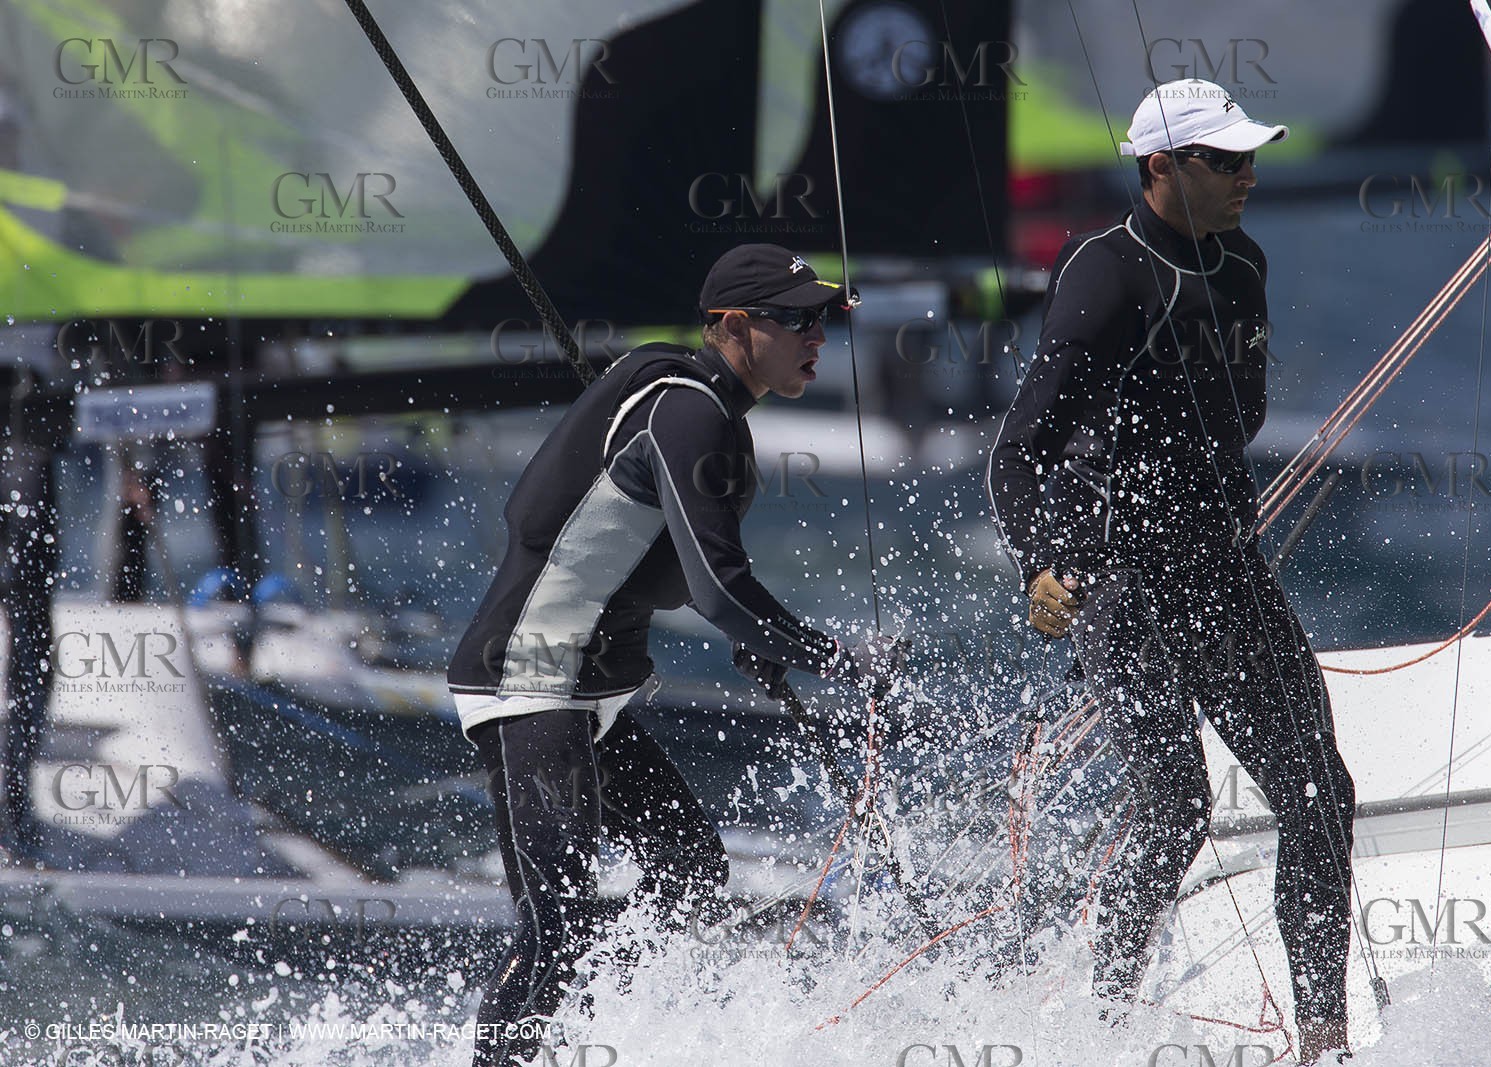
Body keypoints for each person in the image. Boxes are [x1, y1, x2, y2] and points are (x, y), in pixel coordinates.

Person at [446, 243, 901, 1066]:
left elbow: (692, 575)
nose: (816, 335)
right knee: (556, 924)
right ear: (732, 325)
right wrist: (832, 657)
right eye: (794, 318)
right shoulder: (685, 410)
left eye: (822, 318)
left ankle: (590, 1015)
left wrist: (755, 641)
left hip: (590, 691)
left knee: (689, 873)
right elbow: (723, 589)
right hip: (530, 680)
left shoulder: (711, 415)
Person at [986, 80, 1357, 1064]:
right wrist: (1039, 565)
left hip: (1221, 573)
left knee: (1320, 791)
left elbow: (1236, 419)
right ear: (1160, 167)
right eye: (1223, 161)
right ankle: (1107, 1026)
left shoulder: (1243, 262)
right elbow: (1020, 448)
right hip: (1120, 586)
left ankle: (1324, 1040)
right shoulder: (1101, 275)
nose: (1246, 176)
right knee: (1176, 799)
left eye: (1249, 159)